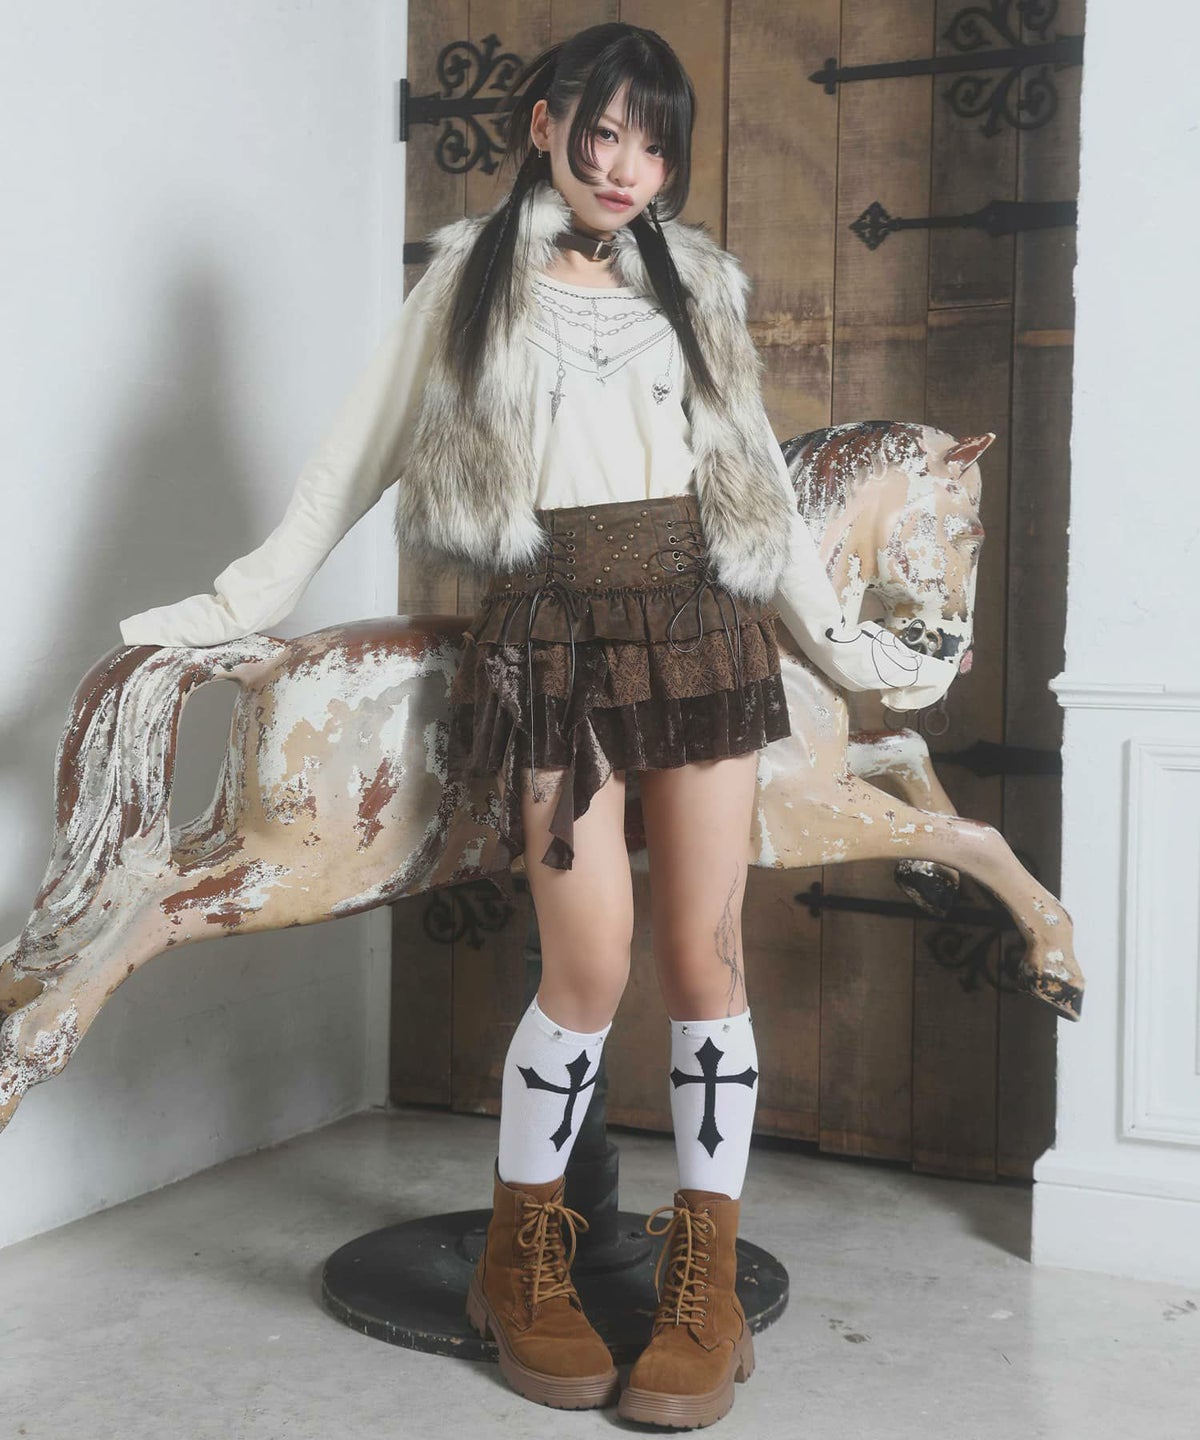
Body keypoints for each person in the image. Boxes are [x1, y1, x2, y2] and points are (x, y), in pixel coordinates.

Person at [120, 21, 955, 1430]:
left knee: (705, 957)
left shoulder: (696, 283)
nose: (626, 167)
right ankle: (520, 1264)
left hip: (702, 631)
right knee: (588, 963)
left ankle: (700, 1282)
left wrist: (847, 647)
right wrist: (232, 603)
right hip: (553, 639)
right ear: (544, 124)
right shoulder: (471, 280)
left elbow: (751, 479)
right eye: (605, 132)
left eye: (654, 145)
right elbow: (351, 459)